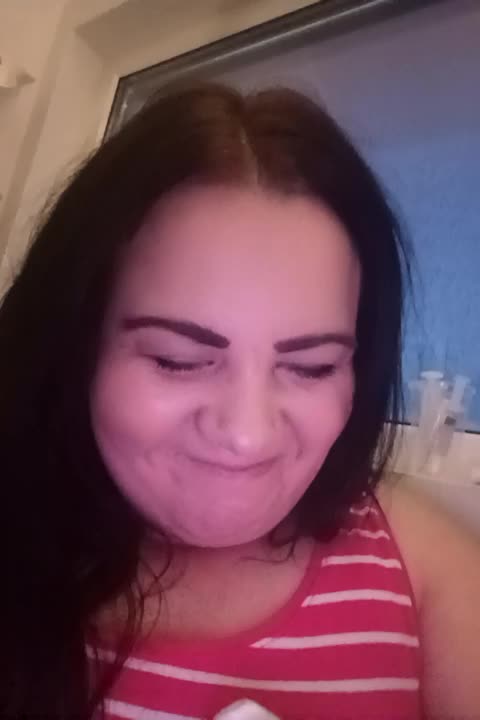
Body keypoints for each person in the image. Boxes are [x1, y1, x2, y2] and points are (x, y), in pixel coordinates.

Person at [0, 81, 478, 720]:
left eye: (311, 367)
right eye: (177, 359)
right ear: (75, 343)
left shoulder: (419, 565)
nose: (248, 435)